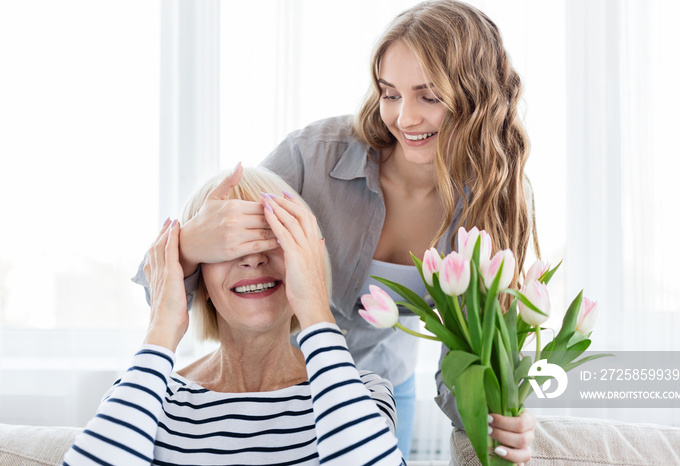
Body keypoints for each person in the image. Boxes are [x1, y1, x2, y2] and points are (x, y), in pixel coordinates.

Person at [134, 1, 537, 462]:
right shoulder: (315, 158)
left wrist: (494, 414)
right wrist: (187, 248)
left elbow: (470, 349)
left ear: (478, 96)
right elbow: (168, 295)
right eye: (390, 93)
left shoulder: (494, 198)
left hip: (379, 385)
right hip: (280, 376)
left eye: (429, 96)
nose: (405, 118)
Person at [66, 168, 405, 465]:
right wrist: (164, 324)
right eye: (228, 245)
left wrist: (315, 308)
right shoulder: (150, 394)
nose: (253, 259)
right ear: (199, 275)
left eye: (271, 237)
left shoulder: (363, 392)